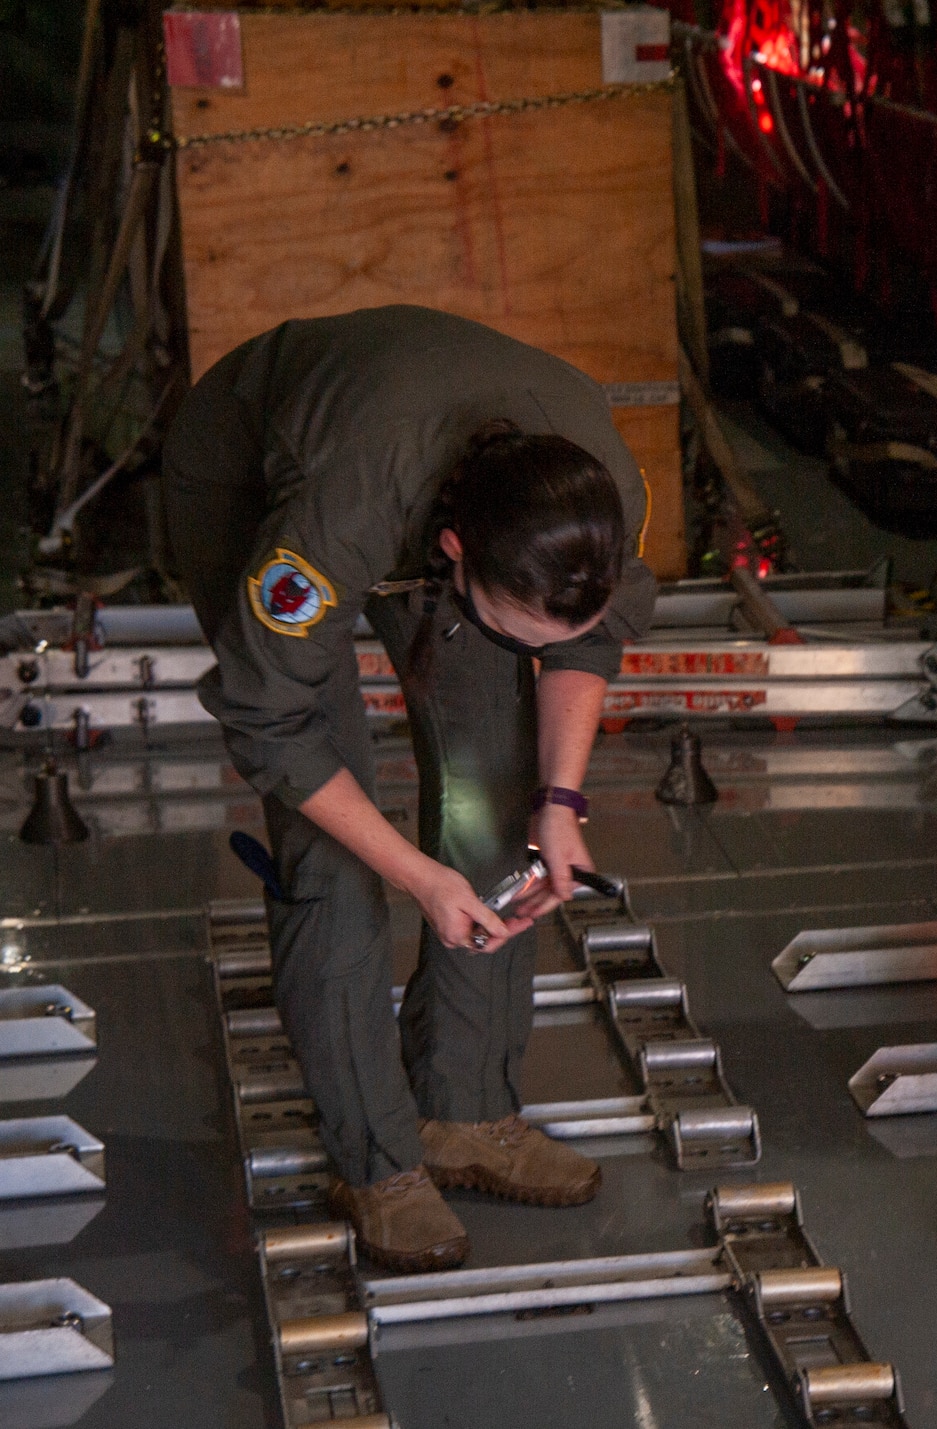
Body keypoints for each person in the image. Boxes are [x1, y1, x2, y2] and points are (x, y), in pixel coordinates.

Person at [163, 306, 659, 1269]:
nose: (535, 658)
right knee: (332, 857)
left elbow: (585, 637)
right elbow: (268, 716)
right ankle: (378, 1161)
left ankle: (465, 1113)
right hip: (253, 473)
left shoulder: (593, 490)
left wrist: (559, 800)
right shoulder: (343, 512)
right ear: (455, 556)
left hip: (442, 499)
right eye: (521, 635)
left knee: (491, 797)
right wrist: (412, 874)